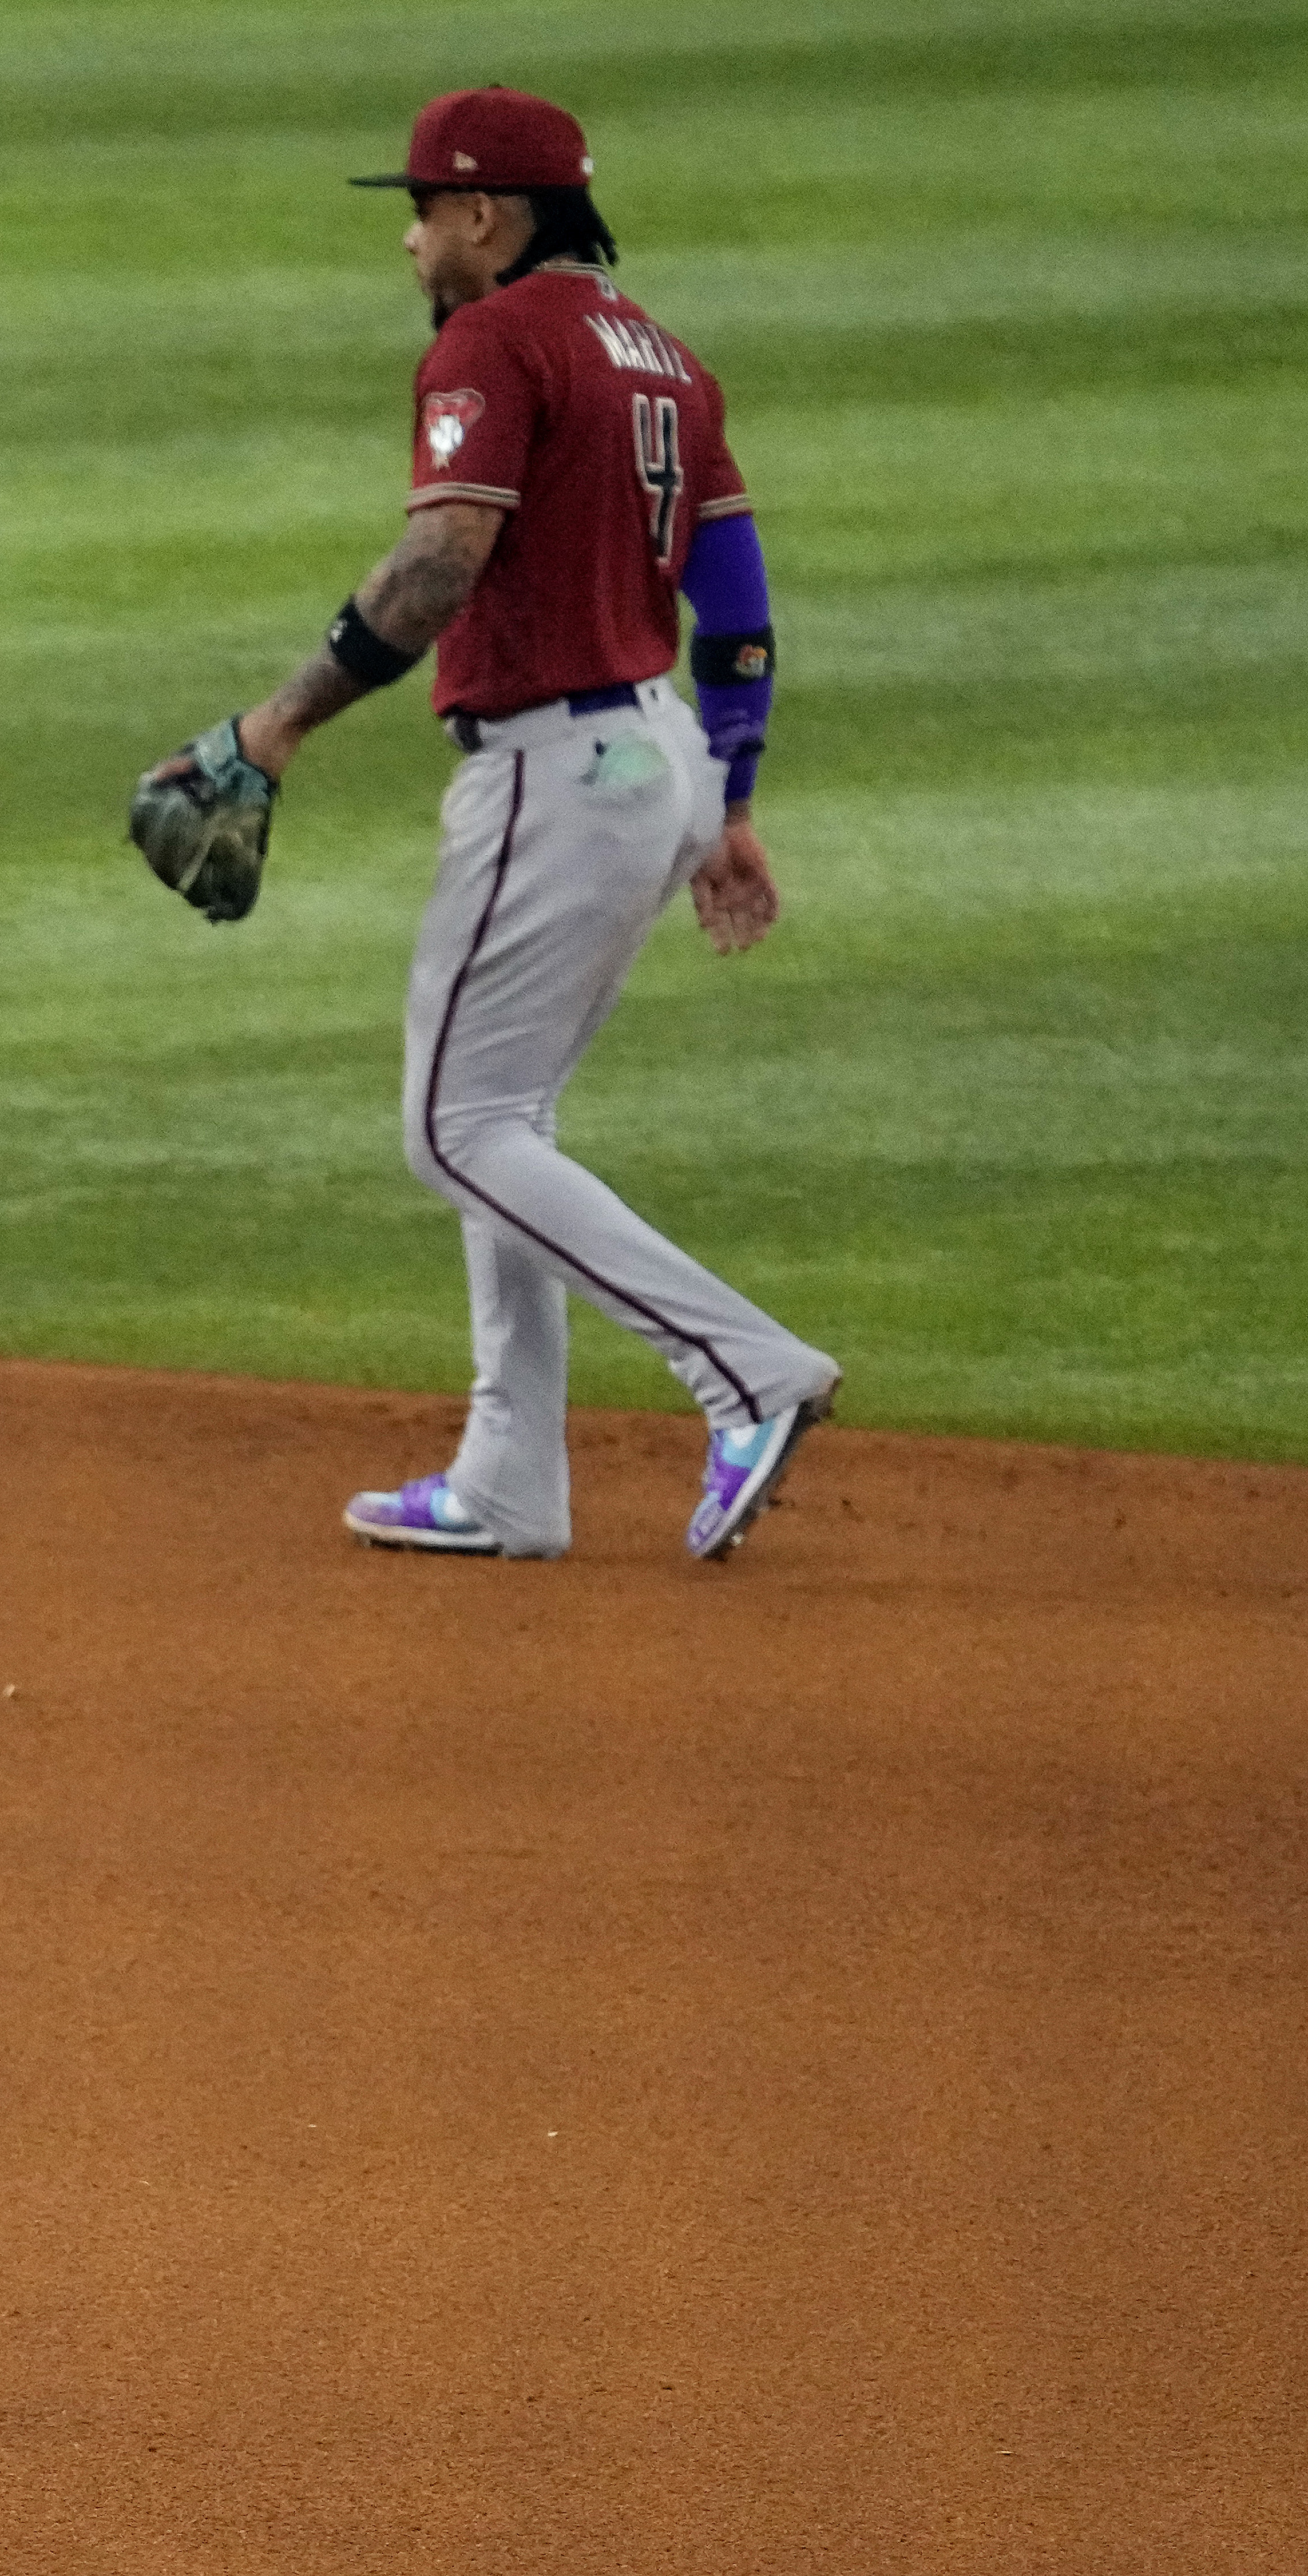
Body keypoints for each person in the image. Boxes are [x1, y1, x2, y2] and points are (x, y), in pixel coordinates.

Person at [145, 88, 838, 1561]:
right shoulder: (665, 359)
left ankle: (744, 1371)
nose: (407, 238)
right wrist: (735, 795)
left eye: (421, 207)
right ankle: (508, 1476)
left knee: (455, 1128)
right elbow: (739, 596)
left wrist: (269, 729)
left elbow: (441, 563)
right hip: (650, 759)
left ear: (486, 214)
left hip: (554, 768)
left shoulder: (497, 341)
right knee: (504, 1115)